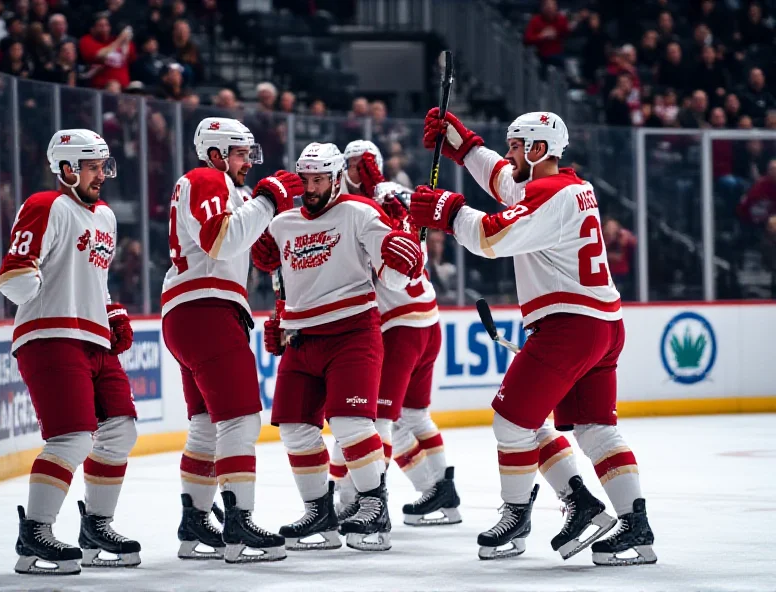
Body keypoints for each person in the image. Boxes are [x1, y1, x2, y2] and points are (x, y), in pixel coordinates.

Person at [410, 108, 656, 566]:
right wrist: (464, 146)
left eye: (516, 146)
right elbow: (507, 182)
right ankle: (634, 524)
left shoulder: (549, 194)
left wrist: (449, 210)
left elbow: (489, 238)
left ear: (538, 150)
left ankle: (520, 515)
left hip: (569, 326)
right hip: (602, 323)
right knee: (597, 430)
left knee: (512, 420)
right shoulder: (566, 186)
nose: (509, 154)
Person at [251, 142, 424, 552]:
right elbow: (283, 279)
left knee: (349, 424)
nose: (310, 188)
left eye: (319, 179)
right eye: (305, 180)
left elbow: (393, 277)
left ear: (336, 178)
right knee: (294, 429)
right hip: (302, 339)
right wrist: (280, 316)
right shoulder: (283, 223)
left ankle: (373, 505)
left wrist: (406, 259)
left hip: (353, 333)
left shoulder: (360, 213)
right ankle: (320, 513)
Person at [0, 129, 140, 575]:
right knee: (73, 437)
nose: (102, 175)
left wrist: (111, 309)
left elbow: (94, 279)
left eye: (103, 166)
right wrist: (22, 279)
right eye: (93, 167)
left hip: (93, 337)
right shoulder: (47, 204)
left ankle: (96, 526)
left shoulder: (106, 217)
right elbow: (15, 271)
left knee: (119, 430)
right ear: (66, 169)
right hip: (49, 334)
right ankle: (35, 532)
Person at [162, 118, 300, 563]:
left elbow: (236, 240)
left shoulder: (227, 188)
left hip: (192, 312)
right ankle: (238, 525)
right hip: (206, 310)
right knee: (240, 420)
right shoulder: (206, 177)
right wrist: (265, 201)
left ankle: (195, 521)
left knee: (206, 424)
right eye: (240, 153)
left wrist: (263, 221)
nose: (247, 162)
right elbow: (220, 241)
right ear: (217, 154)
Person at [330, 141, 461, 526]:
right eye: (350, 164)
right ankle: (442, 492)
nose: (354, 169)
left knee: (378, 420)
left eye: (359, 164)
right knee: (414, 415)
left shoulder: (361, 208)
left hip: (400, 325)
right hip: (427, 317)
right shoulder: (396, 196)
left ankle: (368, 501)